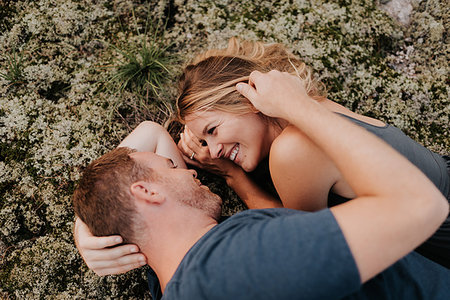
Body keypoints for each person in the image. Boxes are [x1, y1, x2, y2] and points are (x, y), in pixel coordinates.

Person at [73, 70, 450, 299]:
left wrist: (89, 222)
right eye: (168, 166)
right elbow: (421, 204)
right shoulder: (235, 264)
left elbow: (150, 134)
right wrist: (299, 106)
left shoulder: (171, 279)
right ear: (148, 192)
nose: (191, 168)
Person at [175, 38, 450, 267]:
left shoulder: (292, 150)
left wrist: (233, 176)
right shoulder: (312, 106)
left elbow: (302, 245)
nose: (213, 151)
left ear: (246, 100)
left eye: (213, 130)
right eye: (203, 141)